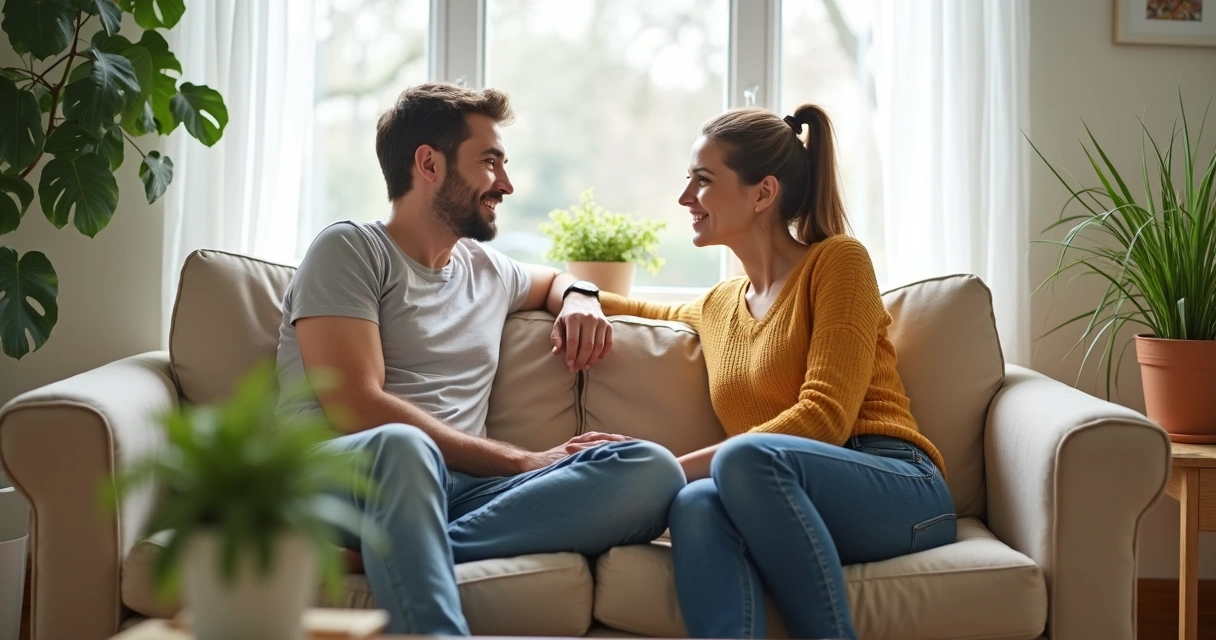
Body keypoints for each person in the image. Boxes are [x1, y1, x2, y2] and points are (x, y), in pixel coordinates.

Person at [274, 83, 686, 635]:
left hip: (460, 494)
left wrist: (580, 296)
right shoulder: (349, 250)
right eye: (490, 162)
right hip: (350, 476)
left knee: (651, 470)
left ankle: (394, 547)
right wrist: (521, 460)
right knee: (405, 447)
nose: (507, 184)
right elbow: (355, 405)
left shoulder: (487, 269)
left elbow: (555, 280)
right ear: (429, 164)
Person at [595, 106, 957, 640]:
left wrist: (664, 469)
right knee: (695, 504)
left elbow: (825, 419)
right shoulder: (718, 305)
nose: (684, 198)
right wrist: (567, 293)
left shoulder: (837, 263)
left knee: (738, 458)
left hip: (898, 484)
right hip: (774, 487)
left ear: (762, 193)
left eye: (702, 180)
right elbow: (629, 308)